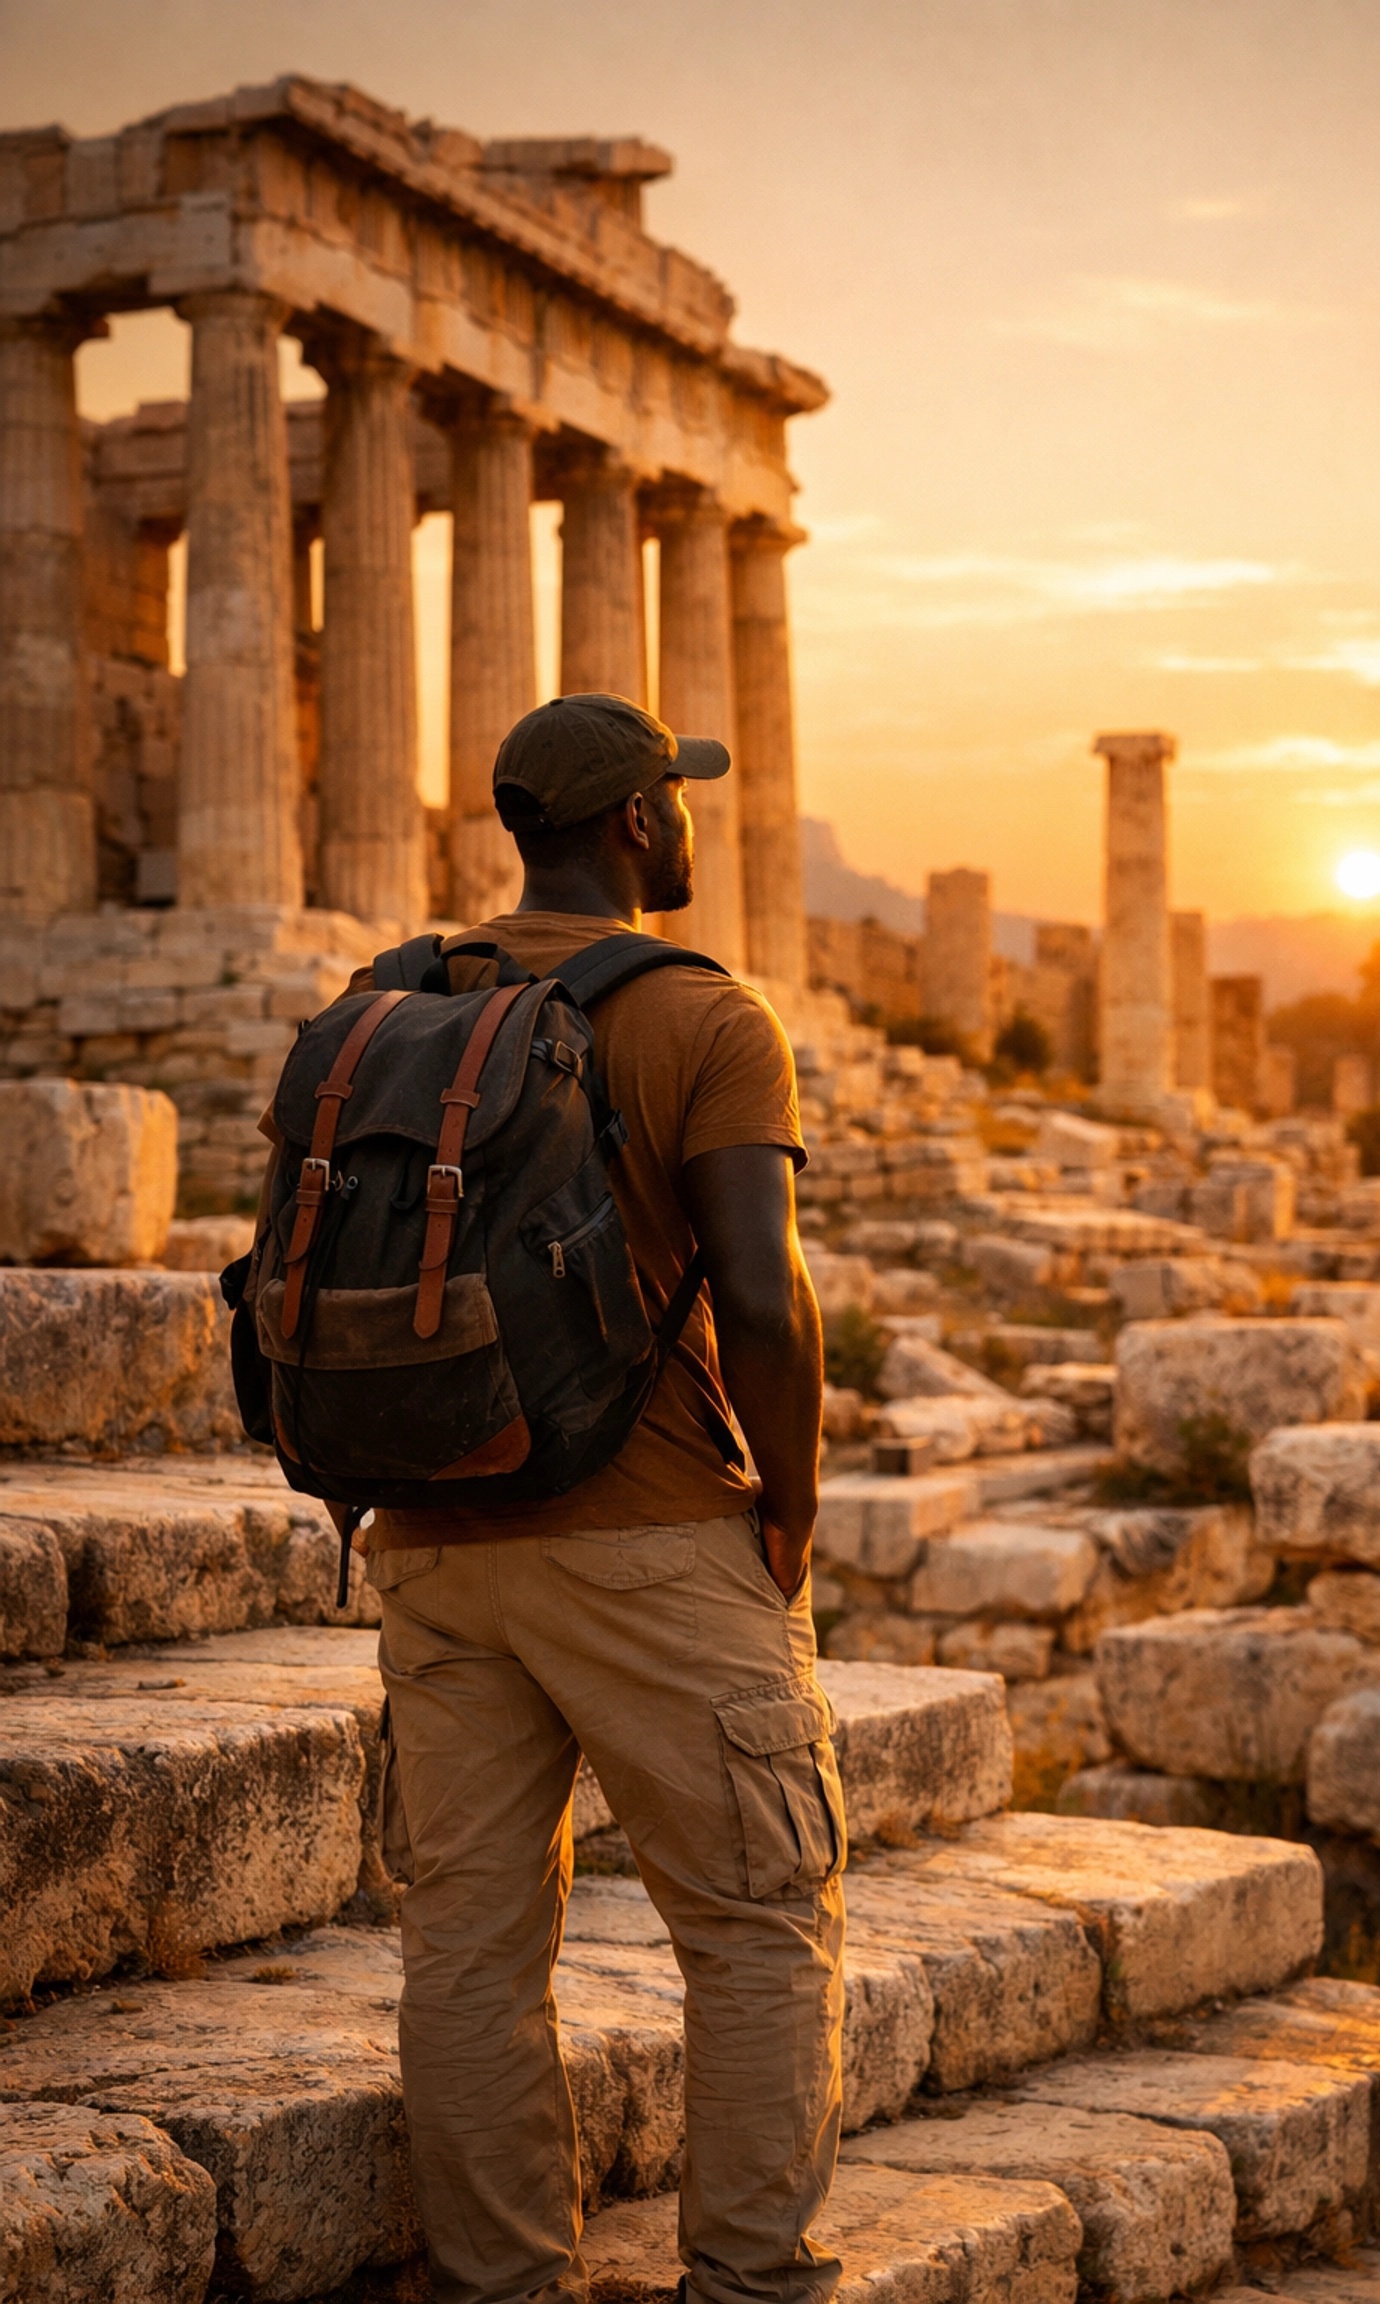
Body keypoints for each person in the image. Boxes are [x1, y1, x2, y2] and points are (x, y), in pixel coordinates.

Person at [350, 692, 843, 2304]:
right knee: (762, 1921)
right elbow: (765, 1301)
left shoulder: (389, 1002)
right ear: (634, 825)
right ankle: (751, 2284)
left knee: (473, 1952)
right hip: (645, 1529)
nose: (692, 823)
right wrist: (789, 1507)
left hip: (430, 1539)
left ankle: (505, 2287)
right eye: (677, 803)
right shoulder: (705, 1016)